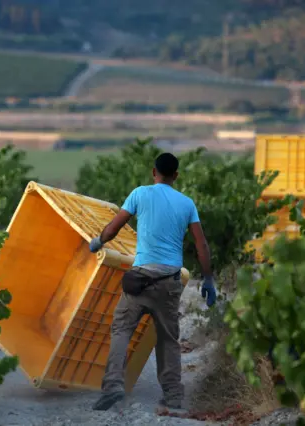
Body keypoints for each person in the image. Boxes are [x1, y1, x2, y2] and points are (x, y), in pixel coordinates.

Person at [88, 152, 217, 411]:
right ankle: (173, 396)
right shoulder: (186, 203)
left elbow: (114, 228)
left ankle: (113, 385)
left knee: (121, 329)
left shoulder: (140, 194)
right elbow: (201, 244)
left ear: (153, 171)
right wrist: (209, 279)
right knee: (168, 338)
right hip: (169, 281)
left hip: (141, 280)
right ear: (176, 176)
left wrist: (98, 242)